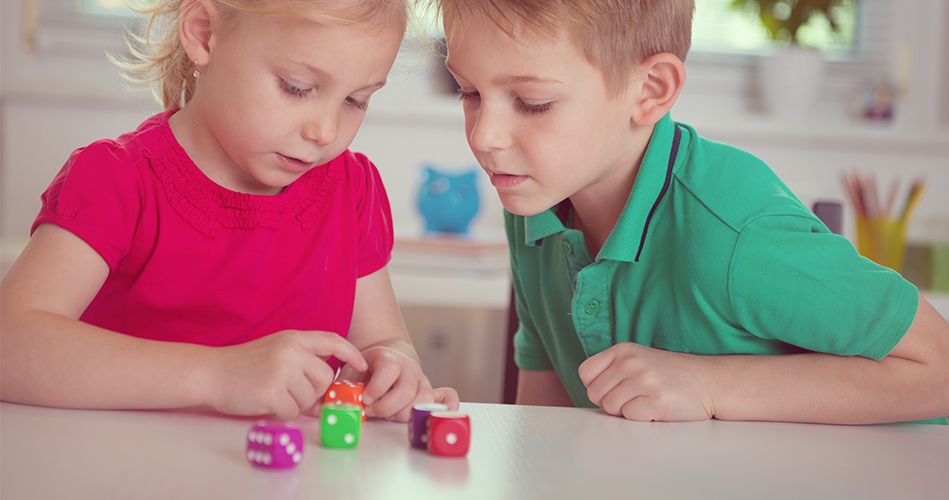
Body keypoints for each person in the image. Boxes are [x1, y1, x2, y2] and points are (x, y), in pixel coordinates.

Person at [433, 0, 949, 424]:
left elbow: (938, 368)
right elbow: (545, 419)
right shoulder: (533, 202)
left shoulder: (736, 231)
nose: (484, 136)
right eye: (470, 92)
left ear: (650, 90)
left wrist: (708, 383)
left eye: (532, 101)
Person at [0, 0, 458, 422]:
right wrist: (216, 375)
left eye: (356, 101)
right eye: (296, 88)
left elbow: (382, 341)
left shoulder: (351, 190)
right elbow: (11, 345)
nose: (326, 130)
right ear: (203, 34)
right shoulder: (116, 180)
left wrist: (394, 367)